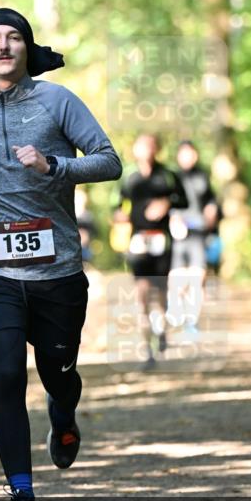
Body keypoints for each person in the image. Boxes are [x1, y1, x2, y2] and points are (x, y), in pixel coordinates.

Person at [0, 8, 122, 501]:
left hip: (57, 271)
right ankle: (21, 494)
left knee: (58, 374)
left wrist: (53, 165)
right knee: (7, 373)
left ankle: (63, 413)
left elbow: (109, 160)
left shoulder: (57, 101)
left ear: (26, 47)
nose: (3, 45)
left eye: (13, 37)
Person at [112, 133, 188, 368]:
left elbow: (183, 201)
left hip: (162, 241)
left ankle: (162, 330)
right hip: (138, 240)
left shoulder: (168, 175)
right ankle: (147, 350)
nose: (146, 150)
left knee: (161, 292)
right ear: (135, 150)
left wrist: (166, 203)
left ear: (157, 149)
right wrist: (119, 215)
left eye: (150, 146)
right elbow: (117, 205)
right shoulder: (129, 177)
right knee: (142, 294)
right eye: (142, 146)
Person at [167, 140, 219, 335]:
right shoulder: (172, 177)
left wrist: (212, 212)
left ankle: (192, 321)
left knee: (197, 277)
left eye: (191, 153)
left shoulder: (203, 175)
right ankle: (176, 311)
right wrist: (173, 218)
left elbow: (211, 201)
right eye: (184, 153)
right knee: (178, 278)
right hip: (179, 234)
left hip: (199, 233)